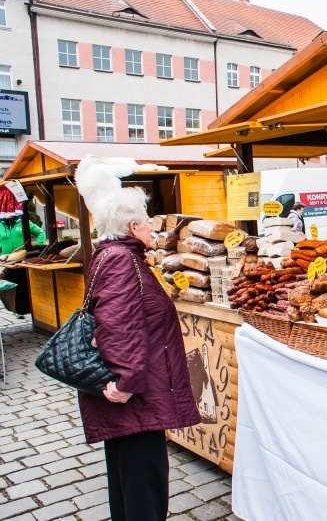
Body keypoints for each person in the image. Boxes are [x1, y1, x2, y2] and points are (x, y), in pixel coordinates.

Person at [74, 183, 200, 520]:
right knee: (144, 482)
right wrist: (127, 381)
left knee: (129, 480)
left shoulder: (113, 254)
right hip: (136, 396)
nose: (150, 229)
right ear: (132, 226)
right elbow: (118, 325)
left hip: (133, 394)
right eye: (146, 223)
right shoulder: (121, 260)